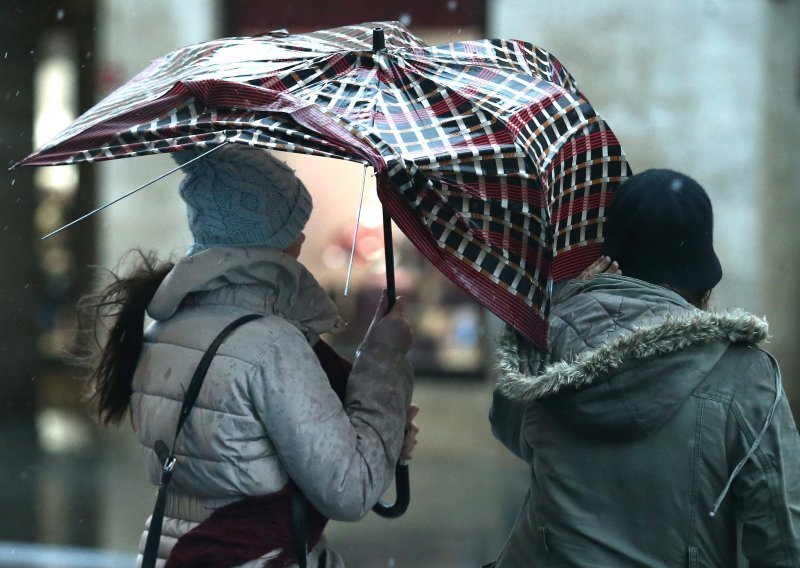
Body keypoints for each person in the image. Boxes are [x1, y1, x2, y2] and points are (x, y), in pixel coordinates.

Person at [82, 144, 419, 567]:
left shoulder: (166, 327)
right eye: (293, 226)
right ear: (267, 240)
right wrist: (383, 358)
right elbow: (350, 490)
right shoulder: (272, 346)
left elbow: (235, 461)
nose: (301, 238)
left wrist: (377, 435)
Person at [488, 169, 800, 566]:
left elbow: (510, 428)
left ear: (609, 258)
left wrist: (568, 308)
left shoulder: (552, 345)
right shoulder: (744, 375)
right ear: (701, 276)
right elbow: (783, 541)